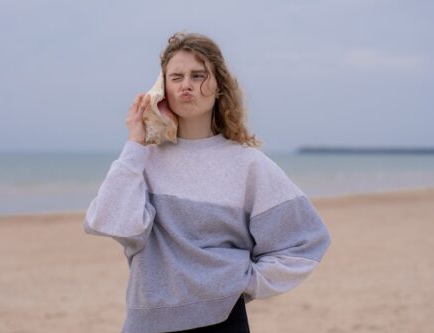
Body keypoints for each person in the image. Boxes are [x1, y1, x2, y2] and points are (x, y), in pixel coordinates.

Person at [84, 32, 331, 333]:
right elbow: (110, 221)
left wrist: (248, 281)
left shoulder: (247, 163)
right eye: (176, 77)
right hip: (147, 323)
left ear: (218, 86)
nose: (187, 85)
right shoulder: (142, 161)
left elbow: (307, 239)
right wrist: (136, 143)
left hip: (222, 322)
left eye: (198, 75)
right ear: (162, 89)